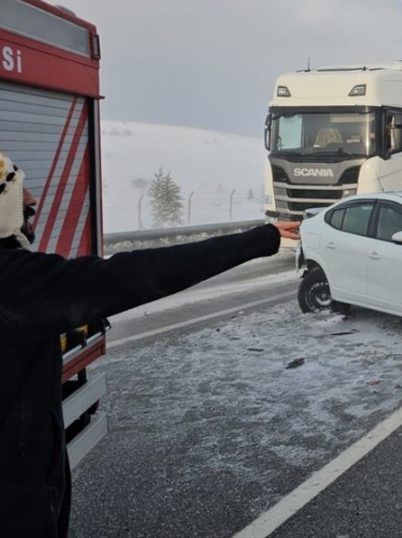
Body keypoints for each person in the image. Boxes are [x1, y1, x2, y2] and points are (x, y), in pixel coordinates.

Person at [0, 151, 301, 537]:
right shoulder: (14, 283)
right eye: (19, 197)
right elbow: (138, 274)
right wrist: (261, 238)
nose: (32, 202)